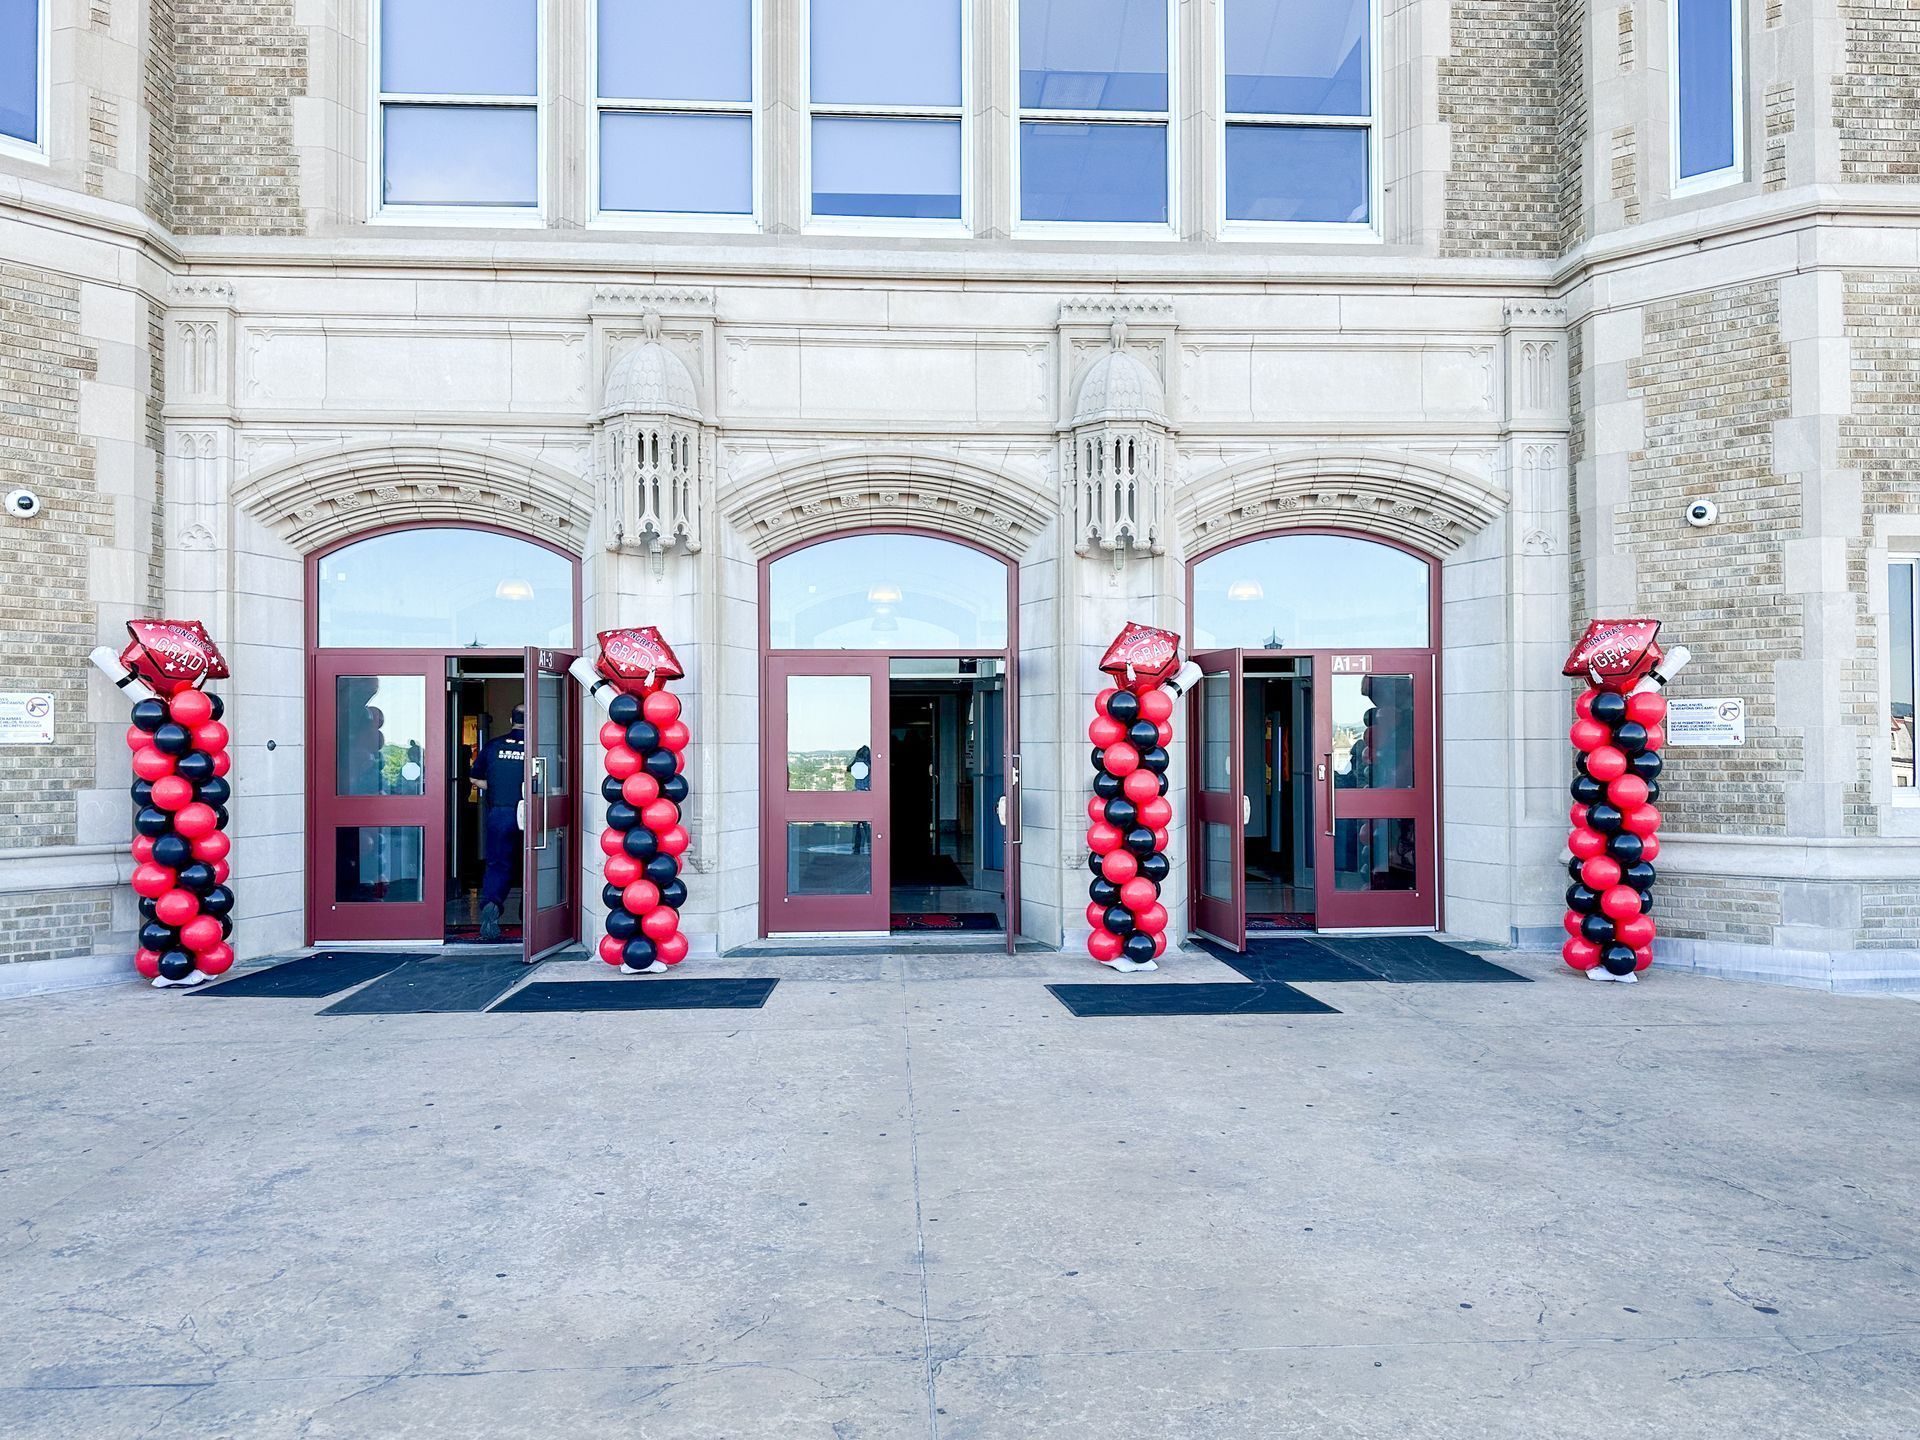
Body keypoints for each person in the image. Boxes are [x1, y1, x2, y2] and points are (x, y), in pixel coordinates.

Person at [470, 703, 527, 943]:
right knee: (535, 863)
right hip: (531, 811)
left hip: (500, 813)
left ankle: (491, 907)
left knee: (498, 864)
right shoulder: (539, 745)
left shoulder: (494, 746)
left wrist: (493, 788)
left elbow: (475, 777)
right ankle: (532, 913)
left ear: (510, 719)